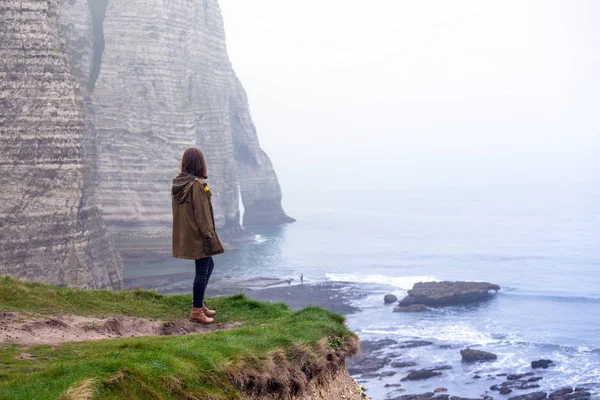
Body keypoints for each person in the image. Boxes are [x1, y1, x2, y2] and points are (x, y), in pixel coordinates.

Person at [172, 147, 225, 324]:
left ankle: (199, 303)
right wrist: (209, 235)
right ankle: (196, 311)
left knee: (208, 265)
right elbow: (202, 214)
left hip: (187, 234)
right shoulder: (195, 186)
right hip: (199, 234)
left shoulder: (180, 183)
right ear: (200, 163)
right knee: (202, 270)